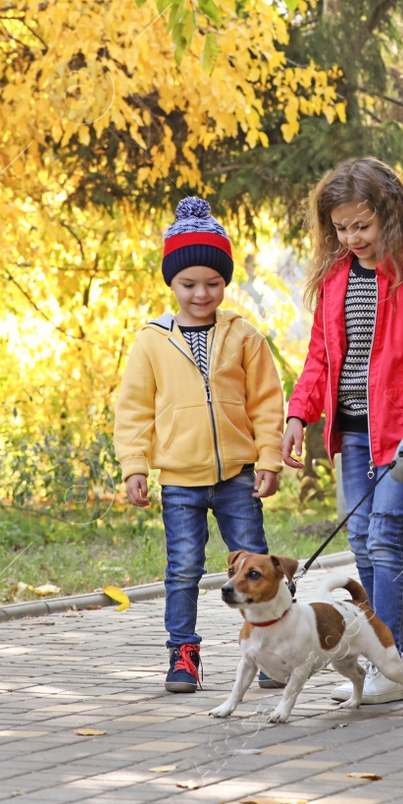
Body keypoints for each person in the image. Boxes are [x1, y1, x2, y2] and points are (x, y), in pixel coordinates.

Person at [281, 158, 403, 705]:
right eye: (341, 229)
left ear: (390, 214)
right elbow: (320, 359)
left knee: (385, 535)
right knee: (362, 546)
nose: (352, 238)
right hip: (353, 434)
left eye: (362, 226)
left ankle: (385, 661)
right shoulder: (334, 280)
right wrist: (299, 414)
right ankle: (400, 658)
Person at [115, 197, 286, 694]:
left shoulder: (244, 336)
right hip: (180, 480)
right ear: (171, 283)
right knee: (184, 566)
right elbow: (134, 410)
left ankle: (269, 650)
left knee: (254, 567)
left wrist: (269, 458)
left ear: (225, 282)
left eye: (213, 283)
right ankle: (183, 653)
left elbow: (267, 403)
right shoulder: (151, 341)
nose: (201, 293)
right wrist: (134, 465)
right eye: (188, 284)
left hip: (237, 476)